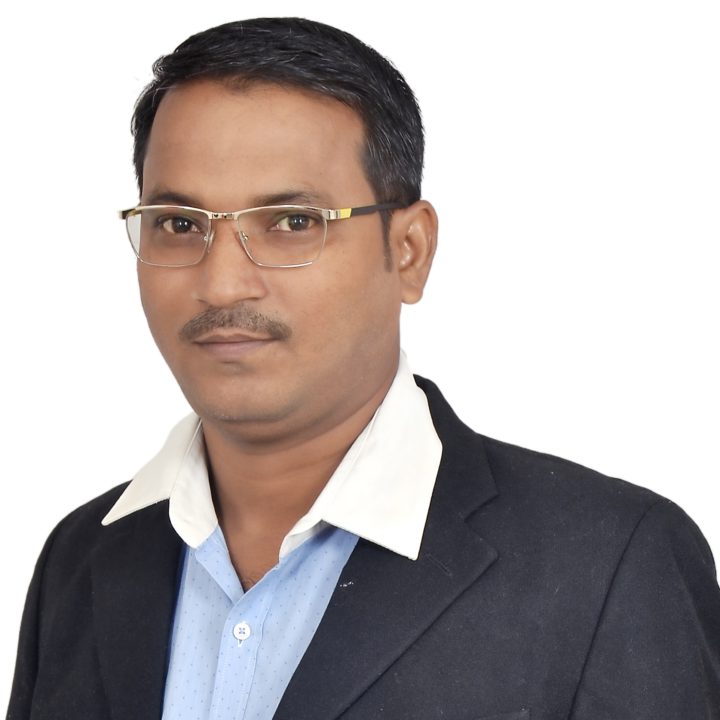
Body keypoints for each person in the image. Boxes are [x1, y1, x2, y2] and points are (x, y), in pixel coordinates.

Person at [7, 16, 720, 720]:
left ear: (409, 250)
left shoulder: (610, 564)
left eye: (292, 223)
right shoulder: (81, 557)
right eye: (179, 223)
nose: (222, 285)